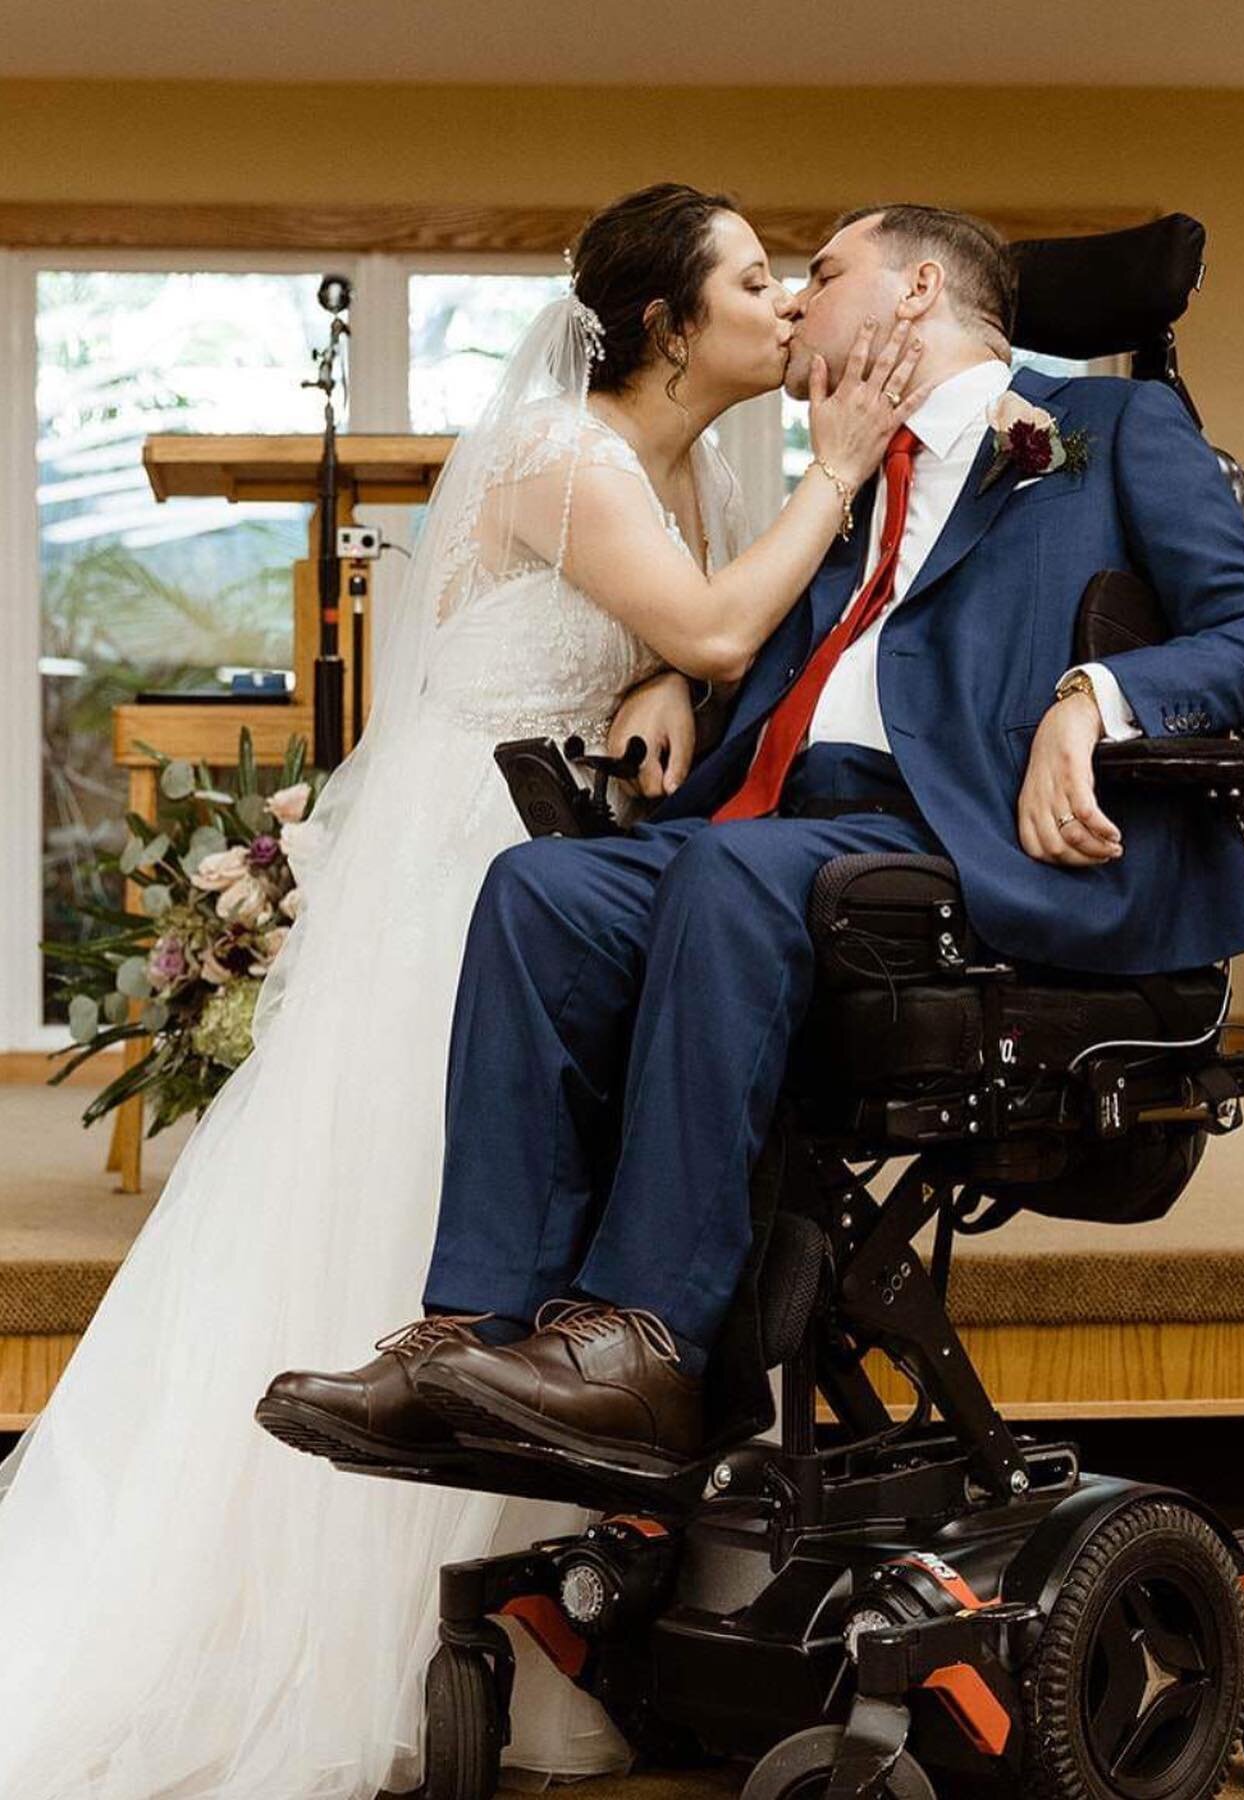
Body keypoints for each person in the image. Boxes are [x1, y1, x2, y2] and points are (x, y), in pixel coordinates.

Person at [0, 184, 931, 1800]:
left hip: (571, 850)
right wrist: (835, 480)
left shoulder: (690, 463)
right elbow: (717, 625)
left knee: (566, 1209)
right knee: (423, 1195)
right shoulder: (562, 454)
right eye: (755, 281)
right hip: (469, 855)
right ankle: (362, 1618)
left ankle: (559, 1599)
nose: (785, 309)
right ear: (666, 325)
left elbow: (673, 638)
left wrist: (649, 670)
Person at [278, 201, 1244, 1473]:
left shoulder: (1108, 431)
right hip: (783, 826)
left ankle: (644, 1345)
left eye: (821, 275)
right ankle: (472, 1336)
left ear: (919, 291)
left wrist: (1093, 699)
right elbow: (754, 640)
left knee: (732, 868)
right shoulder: (842, 467)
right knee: (542, 886)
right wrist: (673, 677)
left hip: (956, 844)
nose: (796, 307)